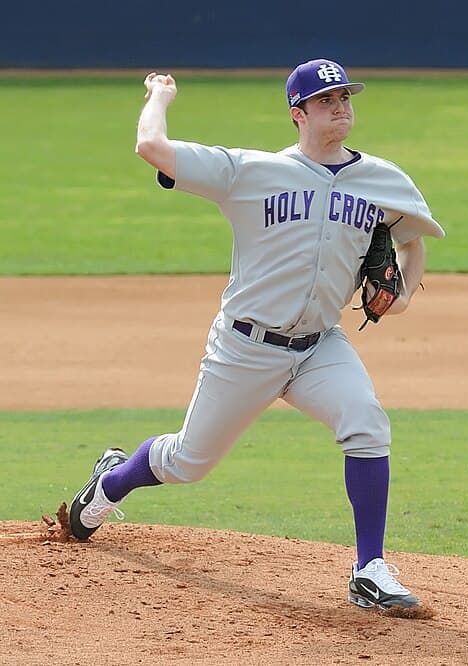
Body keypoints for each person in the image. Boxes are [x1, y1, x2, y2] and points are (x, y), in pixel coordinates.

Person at [69, 59, 444, 610]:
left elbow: (412, 240)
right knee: (186, 463)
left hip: (320, 345)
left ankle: (370, 568)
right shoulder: (249, 172)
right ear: (299, 114)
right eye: (326, 101)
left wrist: (405, 294)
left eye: (345, 98)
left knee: (366, 423)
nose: (341, 107)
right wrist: (160, 95)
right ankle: (108, 484)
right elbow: (151, 146)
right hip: (245, 347)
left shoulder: (383, 179)